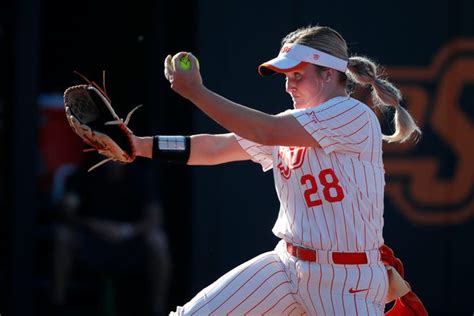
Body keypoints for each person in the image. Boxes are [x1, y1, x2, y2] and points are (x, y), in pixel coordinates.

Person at [132, 25, 427, 315]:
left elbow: (266, 131)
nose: (289, 85)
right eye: (287, 76)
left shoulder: (353, 115)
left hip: (346, 279)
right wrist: (136, 146)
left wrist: (196, 92)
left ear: (328, 74)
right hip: (286, 266)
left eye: (298, 75)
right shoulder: (293, 124)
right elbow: (216, 148)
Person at [50, 160, 171, 316]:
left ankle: (158, 310)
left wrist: (129, 230)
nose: (113, 158)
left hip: (129, 243)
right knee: (62, 236)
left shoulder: (140, 176)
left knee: (158, 241)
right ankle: (57, 305)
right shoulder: (87, 172)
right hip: (91, 241)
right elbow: (67, 212)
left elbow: (155, 217)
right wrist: (96, 226)